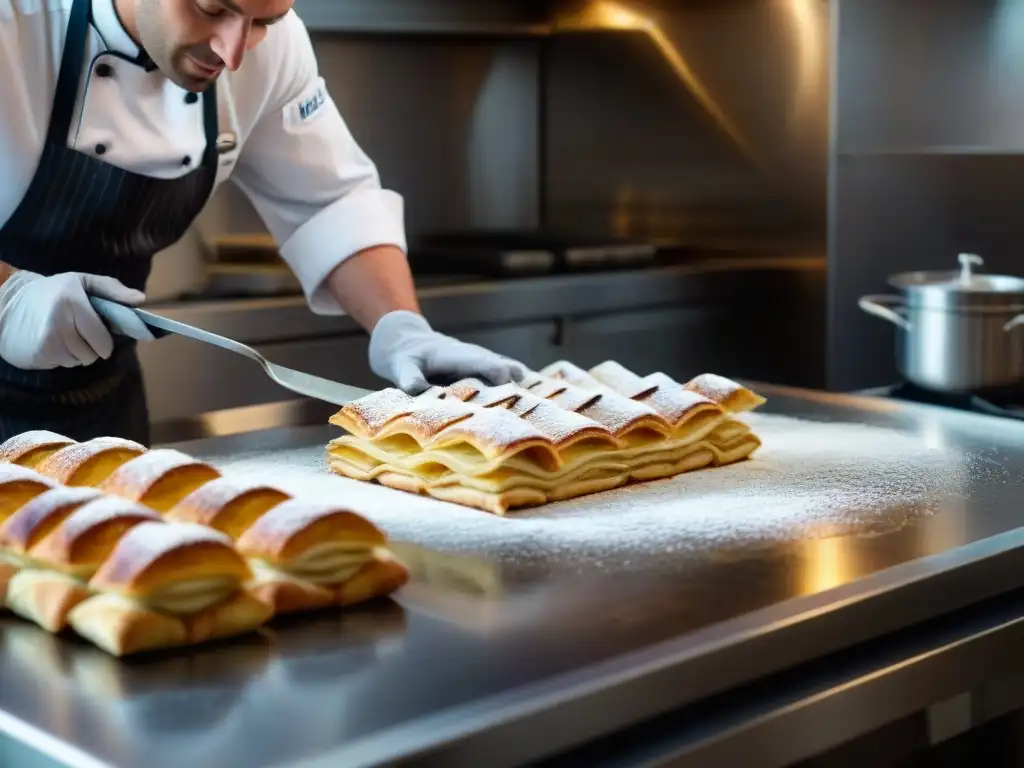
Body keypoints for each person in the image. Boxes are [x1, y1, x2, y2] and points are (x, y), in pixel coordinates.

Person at [0, 0, 525, 444]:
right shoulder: (14, 23)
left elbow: (332, 200)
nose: (232, 52)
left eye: (264, 22)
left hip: (102, 408)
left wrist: (402, 328)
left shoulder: (267, 44)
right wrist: (9, 301)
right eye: (210, 8)